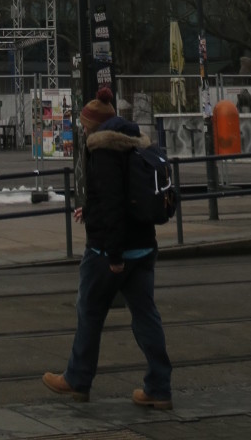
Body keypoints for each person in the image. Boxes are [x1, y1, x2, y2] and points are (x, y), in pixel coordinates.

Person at [42, 86, 173, 411]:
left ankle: (77, 379)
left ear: (95, 126)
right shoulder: (136, 144)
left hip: (108, 252)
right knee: (146, 315)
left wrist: (114, 255)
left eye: (85, 126)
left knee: (89, 310)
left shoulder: (103, 150)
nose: (83, 131)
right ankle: (159, 387)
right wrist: (90, 210)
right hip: (143, 246)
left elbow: (113, 203)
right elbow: (124, 196)